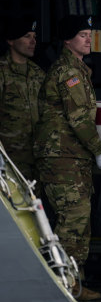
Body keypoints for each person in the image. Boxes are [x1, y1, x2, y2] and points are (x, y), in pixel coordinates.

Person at [34, 15, 101, 301]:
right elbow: (79, 117)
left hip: (72, 155)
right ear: (67, 40)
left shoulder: (78, 70)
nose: (87, 39)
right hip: (63, 155)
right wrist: (99, 150)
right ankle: (61, 281)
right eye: (82, 34)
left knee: (80, 218)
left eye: (89, 34)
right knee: (73, 217)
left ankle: (73, 279)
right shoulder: (68, 72)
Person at [0, 17, 45, 180]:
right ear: (11, 40)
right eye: (27, 36)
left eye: (34, 37)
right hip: (9, 162)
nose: (33, 41)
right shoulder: (2, 72)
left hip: (37, 159)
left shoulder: (38, 74)